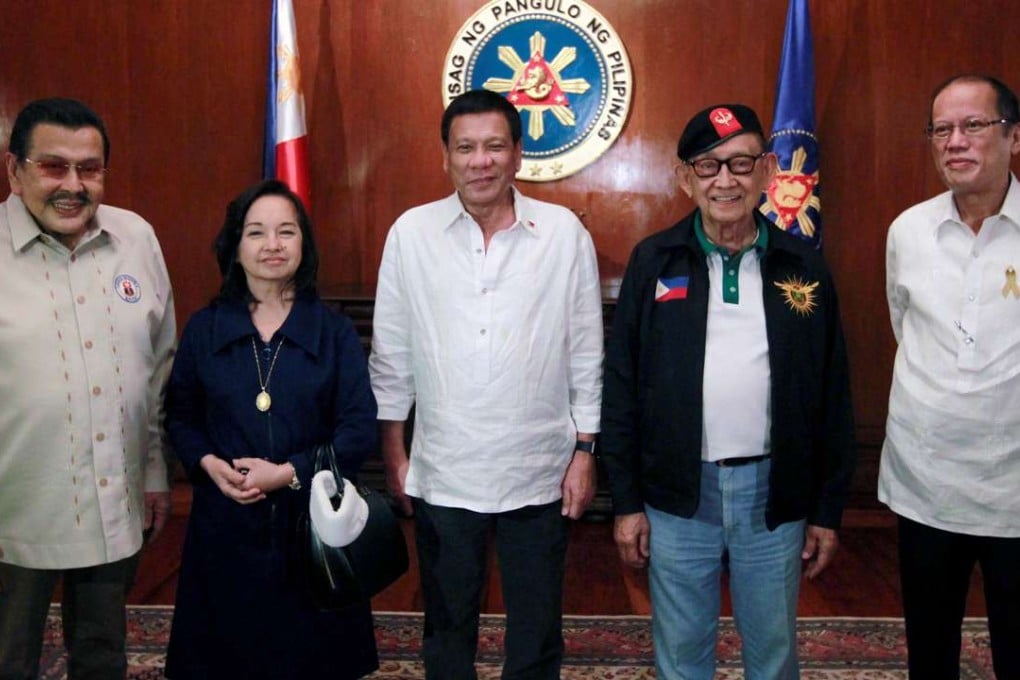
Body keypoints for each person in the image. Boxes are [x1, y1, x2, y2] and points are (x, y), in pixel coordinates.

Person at [601, 104, 856, 680]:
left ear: (767, 171)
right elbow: (621, 389)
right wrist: (626, 503)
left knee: (773, 652)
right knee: (681, 653)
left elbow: (832, 394)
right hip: (678, 495)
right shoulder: (654, 261)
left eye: (741, 163)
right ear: (684, 178)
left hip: (774, 495)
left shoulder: (804, 265)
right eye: (708, 165)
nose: (726, 180)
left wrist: (826, 509)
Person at [369, 88, 603, 679]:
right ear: (445, 157)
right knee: (447, 627)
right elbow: (392, 355)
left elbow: (585, 351)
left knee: (537, 630)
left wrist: (585, 451)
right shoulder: (411, 233)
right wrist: (395, 452)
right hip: (446, 468)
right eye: (466, 148)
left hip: (540, 467)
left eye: (495, 146)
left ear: (518, 154)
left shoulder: (562, 234)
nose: (481, 161)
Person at [163, 180, 379, 679]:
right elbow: (181, 415)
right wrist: (207, 463)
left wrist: (287, 473)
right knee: (224, 660)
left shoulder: (333, 331)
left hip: (314, 524)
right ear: (235, 246)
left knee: (312, 660)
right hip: (226, 521)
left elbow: (357, 428)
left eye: (287, 231)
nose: (272, 245)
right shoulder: (205, 328)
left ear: (304, 244)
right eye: (256, 232)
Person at [0, 97, 176, 679]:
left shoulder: (136, 238)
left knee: (102, 655)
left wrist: (154, 472)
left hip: (112, 503)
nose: (73, 185)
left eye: (90, 169)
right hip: (14, 514)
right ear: (14, 170)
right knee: (8, 659)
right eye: (54, 166)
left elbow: (157, 370)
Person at [880, 74, 1020, 679]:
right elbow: (904, 325)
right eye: (941, 129)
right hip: (926, 483)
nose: (954, 141)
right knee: (930, 652)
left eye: (973, 125)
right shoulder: (907, 231)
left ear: (1014, 137)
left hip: (1014, 489)